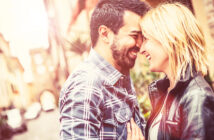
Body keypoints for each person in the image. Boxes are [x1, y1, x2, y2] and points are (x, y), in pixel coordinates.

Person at [59, 0, 150, 139]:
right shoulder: (86, 86)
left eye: (142, 37)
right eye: (134, 36)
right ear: (105, 34)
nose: (140, 45)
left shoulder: (120, 76)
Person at [127, 2, 214, 140]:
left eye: (146, 39)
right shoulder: (165, 93)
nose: (141, 49)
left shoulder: (197, 97)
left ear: (169, 39)